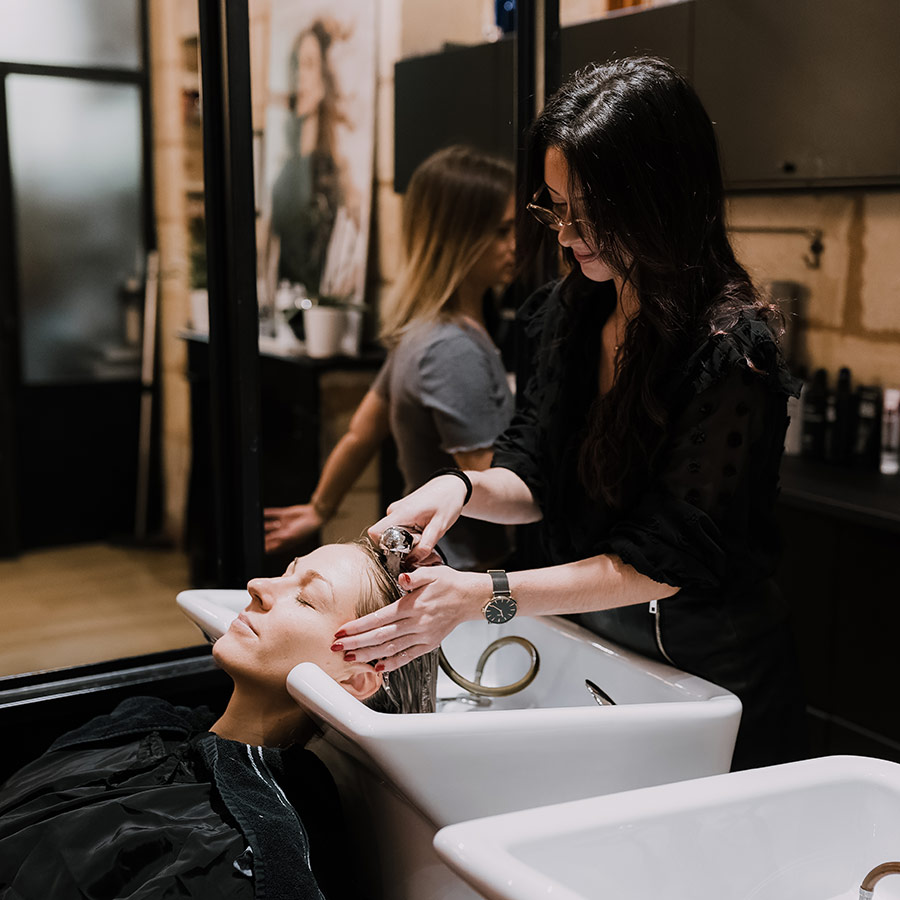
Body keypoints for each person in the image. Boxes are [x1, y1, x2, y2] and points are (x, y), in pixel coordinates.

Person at [332, 57, 808, 771]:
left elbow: (659, 562)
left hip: (713, 671)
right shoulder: (570, 310)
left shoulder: (733, 352)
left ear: (659, 198)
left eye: (587, 215)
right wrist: (459, 490)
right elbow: (533, 474)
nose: (563, 233)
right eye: (554, 206)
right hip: (599, 643)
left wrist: (483, 597)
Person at [0, 538, 437, 899]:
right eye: (285, 572)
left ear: (356, 680)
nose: (258, 586)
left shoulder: (236, 860)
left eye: (306, 598)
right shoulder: (148, 721)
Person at [265, 145, 517, 572]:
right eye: (502, 231)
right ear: (460, 237)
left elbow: (359, 434)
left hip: (432, 565)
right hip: (463, 569)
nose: (516, 245)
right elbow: (488, 484)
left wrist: (320, 507)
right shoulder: (451, 349)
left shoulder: (422, 333)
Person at [269, 17, 355, 296]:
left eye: (308, 65)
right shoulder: (285, 169)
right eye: (296, 65)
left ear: (323, 74)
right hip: (281, 312)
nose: (299, 78)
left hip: (321, 316)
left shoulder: (337, 169)